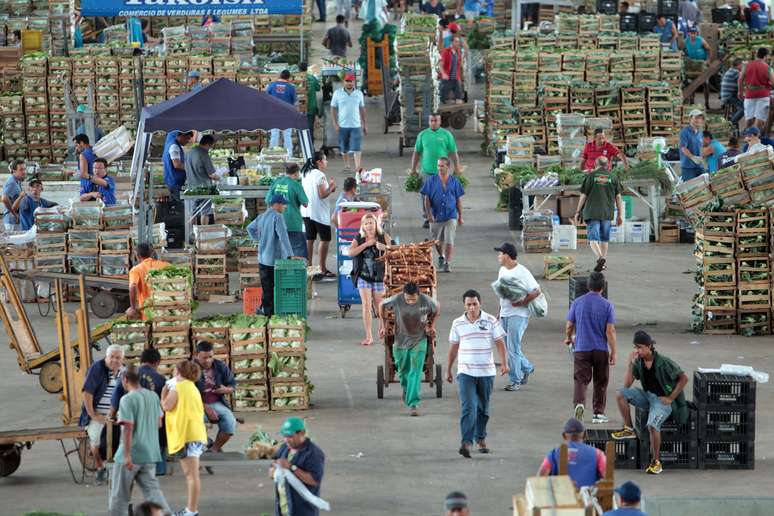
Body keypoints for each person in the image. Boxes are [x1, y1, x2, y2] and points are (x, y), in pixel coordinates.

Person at [612, 331, 689, 476]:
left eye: (640, 347)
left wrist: (671, 398)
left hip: (662, 401)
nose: (637, 351)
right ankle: (628, 428)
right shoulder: (639, 363)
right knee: (621, 394)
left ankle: (656, 462)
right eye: (635, 347)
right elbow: (627, 385)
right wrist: (630, 363)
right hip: (648, 397)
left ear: (649, 347)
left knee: (652, 425)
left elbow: (684, 378)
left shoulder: (664, 362)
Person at [447, 289, 508, 458]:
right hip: (465, 372)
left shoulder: (490, 321)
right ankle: (466, 442)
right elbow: (453, 348)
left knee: (483, 409)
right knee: (469, 407)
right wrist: (448, 369)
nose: (472, 307)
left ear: (480, 304)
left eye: (475, 304)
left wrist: (504, 363)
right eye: (469, 305)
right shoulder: (457, 323)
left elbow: (500, 343)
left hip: (486, 373)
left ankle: (480, 438)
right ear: (464, 306)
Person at [109, 365, 171, 516]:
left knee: (119, 496)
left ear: (125, 380)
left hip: (131, 455)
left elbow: (128, 429)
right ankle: (166, 514)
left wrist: (127, 455)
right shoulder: (153, 396)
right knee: (153, 492)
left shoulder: (127, 399)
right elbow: (159, 423)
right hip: (150, 453)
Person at [378, 282, 440, 416]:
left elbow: (437, 308)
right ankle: (407, 389)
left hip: (419, 339)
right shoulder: (397, 299)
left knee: (415, 372)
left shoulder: (426, 300)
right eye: (408, 299)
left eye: (413, 299)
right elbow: (381, 304)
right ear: (403, 295)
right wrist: (382, 325)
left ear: (418, 295)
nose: (411, 301)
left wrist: (432, 326)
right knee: (403, 370)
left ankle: (413, 404)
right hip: (400, 340)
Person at [565, 272, 616, 424]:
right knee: (601, 381)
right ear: (603, 287)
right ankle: (598, 413)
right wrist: (614, 351)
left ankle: (579, 404)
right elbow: (610, 331)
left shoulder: (577, 302)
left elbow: (569, 325)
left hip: (581, 348)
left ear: (588, 286)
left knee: (580, 379)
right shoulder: (608, 305)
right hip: (600, 349)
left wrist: (568, 337)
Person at [111, 348, 168, 475]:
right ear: (157, 362)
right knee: (153, 478)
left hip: (133, 433)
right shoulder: (161, 380)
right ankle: (159, 473)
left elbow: (115, 401)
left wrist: (111, 417)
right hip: (155, 433)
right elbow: (165, 409)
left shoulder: (128, 376)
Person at [161, 360, 207, 516]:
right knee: (192, 476)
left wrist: (163, 393)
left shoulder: (178, 388)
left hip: (186, 436)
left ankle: (191, 511)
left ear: (179, 372)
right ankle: (190, 510)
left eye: (174, 370)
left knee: (191, 477)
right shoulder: (192, 387)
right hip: (196, 434)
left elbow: (166, 406)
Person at [493, 243, 539, 392]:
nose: (498, 256)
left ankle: (515, 380)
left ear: (506, 255)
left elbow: (536, 291)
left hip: (518, 314)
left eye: (500, 253)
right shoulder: (502, 270)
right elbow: (502, 293)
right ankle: (527, 367)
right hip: (505, 313)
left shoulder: (522, 272)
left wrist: (522, 302)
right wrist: (499, 312)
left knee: (512, 348)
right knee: (508, 348)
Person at [80, 344, 125, 485]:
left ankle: (117, 471)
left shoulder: (123, 372)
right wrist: (93, 414)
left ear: (122, 359)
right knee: (96, 442)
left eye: (118, 358)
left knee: (123, 441)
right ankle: (100, 467)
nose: (114, 360)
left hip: (116, 414)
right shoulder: (97, 368)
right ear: (106, 357)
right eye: (111, 357)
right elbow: (87, 392)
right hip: (97, 413)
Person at [247, 195, 295, 317]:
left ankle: (264, 309)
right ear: (276, 204)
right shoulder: (277, 217)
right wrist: (290, 255)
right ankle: (269, 314)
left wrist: (258, 239)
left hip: (262, 259)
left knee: (266, 287)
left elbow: (250, 228)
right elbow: (283, 237)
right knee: (274, 288)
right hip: (273, 260)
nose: (285, 207)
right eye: (283, 204)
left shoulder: (262, 216)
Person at [348, 213, 392, 346]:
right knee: (366, 305)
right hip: (363, 275)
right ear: (363, 226)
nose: (369, 226)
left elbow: (395, 250)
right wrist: (367, 244)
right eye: (366, 223)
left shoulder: (383, 236)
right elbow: (350, 252)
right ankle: (368, 336)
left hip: (379, 276)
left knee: (380, 306)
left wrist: (383, 247)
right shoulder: (359, 238)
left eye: (371, 223)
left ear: (375, 224)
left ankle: (383, 327)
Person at [411, 113, 462, 228]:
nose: (433, 123)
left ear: (440, 122)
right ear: (429, 122)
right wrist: (413, 169)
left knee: (441, 195)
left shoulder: (446, 135)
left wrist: (457, 167)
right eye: (431, 121)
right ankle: (428, 217)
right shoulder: (423, 135)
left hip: (442, 172)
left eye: (436, 121)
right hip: (427, 171)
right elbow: (417, 152)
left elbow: (454, 152)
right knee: (426, 196)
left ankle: (442, 216)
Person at [574, 156, 624, 272]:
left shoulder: (591, 176)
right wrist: (620, 215)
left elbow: (583, 195)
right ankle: (603, 262)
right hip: (607, 212)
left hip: (592, 212)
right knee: (604, 239)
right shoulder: (613, 177)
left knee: (593, 239)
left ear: (595, 165)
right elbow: (618, 197)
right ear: (608, 165)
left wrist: (577, 211)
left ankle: (600, 258)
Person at [270, 417, 326, 516]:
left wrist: (292, 467)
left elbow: (314, 481)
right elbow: (271, 472)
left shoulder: (313, 454)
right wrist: (274, 470)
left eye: (290, 436)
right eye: (285, 436)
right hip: (282, 509)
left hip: (302, 511)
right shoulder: (284, 448)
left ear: (302, 433)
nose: (286, 440)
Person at [421, 157, 465, 272]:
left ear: (448, 167)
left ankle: (447, 263)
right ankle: (441, 256)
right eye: (438, 166)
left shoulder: (454, 181)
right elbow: (426, 199)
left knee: (449, 239)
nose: (439, 168)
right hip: (436, 216)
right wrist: (429, 214)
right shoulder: (431, 181)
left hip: (451, 215)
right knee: (437, 241)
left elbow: (458, 200)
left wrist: (460, 216)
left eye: (442, 166)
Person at [193, 342, 237, 453]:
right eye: (204, 357)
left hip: (217, 402)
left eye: (210, 357)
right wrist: (205, 407)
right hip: (195, 405)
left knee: (230, 422)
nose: (208, 360)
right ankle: (205, 442)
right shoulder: (189, 368)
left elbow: (232, 384)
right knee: (195, 423)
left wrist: (226, 390)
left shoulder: (220, 366)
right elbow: (186, 395)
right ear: (196, 355)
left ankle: (214, 449)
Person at [538, 418, 607, 489]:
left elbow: (542, 474)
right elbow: (607, 477)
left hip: (562, 497)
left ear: (564, 436)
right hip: (587, 497)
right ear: (585, 435)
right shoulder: (597, 454)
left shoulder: (554, 453)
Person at [303, 151, 337, 279]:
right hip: (319, 213)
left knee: (310, 239)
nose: (326, 162)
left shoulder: (305, 173)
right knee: (325, 239)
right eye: (325, 159)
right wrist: (332, 187)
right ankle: (322, 269)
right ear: (319, 162)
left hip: (306, 211)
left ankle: (309, 268)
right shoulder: (320, 175)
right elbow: (322, 194)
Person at [267, 163, 310, 259]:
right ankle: (298, 273)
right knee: (297, 251)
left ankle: (282, 272)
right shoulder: (296, 185)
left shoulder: (276, 182)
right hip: (293, 223)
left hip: (276, 223)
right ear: (296, 173)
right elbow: (305, 204)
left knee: (280, 251)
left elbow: (268, 201)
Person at [331, 73, 367, 171]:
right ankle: (347, 165)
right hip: (342, 125)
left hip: (356, 125)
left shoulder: (359, 94)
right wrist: (335, 123)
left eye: (350, 81)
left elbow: (362, 109)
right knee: (344, 148)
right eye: (347, 81)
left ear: (354, 82)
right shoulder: (337, 93)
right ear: (344, 82)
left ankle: (357, 166)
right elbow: (333, 108)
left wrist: (364, 124)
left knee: (357, 147)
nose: (349, 83)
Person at [126, 243, 170, 320]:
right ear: (152, 253)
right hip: (166, 311)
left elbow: (133, 286)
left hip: (148, 313)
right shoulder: (166, 265)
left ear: (137, 255)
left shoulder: (136, 270)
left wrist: (133, 307)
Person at [185, 134, 218, 225]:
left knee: (193, 213)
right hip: (204, 189)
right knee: (205, 212)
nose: (210, 148)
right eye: (211, 146)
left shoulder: (189, 152)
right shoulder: (204, 154)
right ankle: (203, 235)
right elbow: (211, 174)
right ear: (208, 144)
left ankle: (192, 235)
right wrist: (220, 177)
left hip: (191, 188)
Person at [739, 48, 774, 130]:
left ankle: (748, 136)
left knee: (749, 117)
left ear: (756, 55)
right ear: (765, 56)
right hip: (763, 94)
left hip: (749, 94)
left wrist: (740, 92)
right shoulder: (768, 67)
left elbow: (740, 80)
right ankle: (756, 136)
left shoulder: (747, 65)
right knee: (760, 117)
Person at [267, 70, 297, 157]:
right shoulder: (291, 87)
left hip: (274, 114)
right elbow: (295, 103)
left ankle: (272, 155)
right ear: (288, 77)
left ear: (280, 76)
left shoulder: (271, 86)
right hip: (287, 114)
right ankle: (289, 155)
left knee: (274, 134)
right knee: (287, 135)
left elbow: (266, 99)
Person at [163, 130, 194, 202]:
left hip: (173, 181)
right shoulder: (174, 146)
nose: (188, 141)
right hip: (175, 182)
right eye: (187, 138)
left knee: (176, 204)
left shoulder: (172, 143)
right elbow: (177, 164)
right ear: (181, 136)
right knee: (179, 206)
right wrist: (191, 169)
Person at [678, 109, 705, 181]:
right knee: (690, 189)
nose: (698, 120)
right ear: (690, 119)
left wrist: (703, 158)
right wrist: (693, 157)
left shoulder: (700, 132)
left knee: (703, 188)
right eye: (696, 117)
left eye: (700, 118)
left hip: (699, 166)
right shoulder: (684, 132)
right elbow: (683, 148)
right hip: (688, 167)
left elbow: (701, 147)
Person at [2, 159, 26, 232]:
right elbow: (4, 199)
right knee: (14, 242)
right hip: (11, 221)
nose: (24, 172)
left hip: (15, 220)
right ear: (13, 171)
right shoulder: (11, 182)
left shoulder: (17, 180)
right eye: (21, 169)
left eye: (24, 169)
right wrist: (14, 214)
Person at [300, 63, 322, 142]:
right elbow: (318, 88)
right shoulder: (312, 78)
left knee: (300, 127)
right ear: (307, 69)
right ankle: (310, 147)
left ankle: (302, 145)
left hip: (299, 107)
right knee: (310, 128)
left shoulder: (297, 78)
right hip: (311, 107)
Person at [721, 59, 745, 128]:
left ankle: (734, 125)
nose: (743, 67)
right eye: (742, 65)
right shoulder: (735, 72)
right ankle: (732, 123)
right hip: (729, 96)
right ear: (739, 65)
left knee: (741, 105)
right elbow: (742, 82)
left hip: (728, 95)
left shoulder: (730, 70)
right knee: (745, 106)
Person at [439, 36, 464, 104]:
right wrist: (443, 74)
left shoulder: (458, 52)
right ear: (451, 42)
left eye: (458, 42)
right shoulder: (446, 51)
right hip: (447, 79)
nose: (458, 43)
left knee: (459, 98)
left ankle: (459, 113)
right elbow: (440, 64)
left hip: (455, 79)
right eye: (456, 41)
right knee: (442, 99)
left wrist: (459, 78)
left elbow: (458, 67)